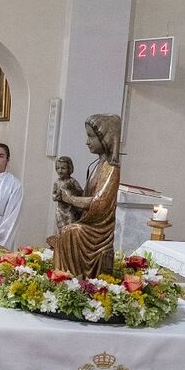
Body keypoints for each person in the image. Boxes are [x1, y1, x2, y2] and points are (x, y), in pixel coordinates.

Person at [53, 114, 121, 278]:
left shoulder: (111, 168)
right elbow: (87, 194)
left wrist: (69, 198)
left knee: (69, 232)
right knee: (64, 228)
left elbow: (100, 202)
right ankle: (64, 277)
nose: (87, 141)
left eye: (91, 136)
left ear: (105, 138)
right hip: (89, 221)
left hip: (98, 229)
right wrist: (70, 195)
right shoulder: (98, 165)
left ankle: (70, 279)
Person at [52, 156, 83, 231]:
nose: (60, 171)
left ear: (69, 169)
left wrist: (72, 190)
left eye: (63, 168)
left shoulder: (72, 181)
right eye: (58, 168)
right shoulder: (57, 182)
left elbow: (81, 192)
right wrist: (57, 196)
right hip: (60, 210)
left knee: (70, 228)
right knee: (61, 228)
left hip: (70, 209)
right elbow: (54, 195)